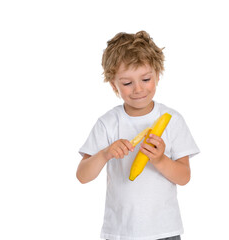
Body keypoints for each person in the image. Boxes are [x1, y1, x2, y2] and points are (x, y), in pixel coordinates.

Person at [77, 30, 200, 240]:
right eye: (127, 83)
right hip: (119, 232)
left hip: (164, 231)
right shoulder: (107, 123)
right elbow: (82, 176)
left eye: (145, 78)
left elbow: (184, 177)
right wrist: (104, 154)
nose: (138, 89)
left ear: (158, 75)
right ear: (114, 85)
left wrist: (160, 160)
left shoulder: (172, 119)